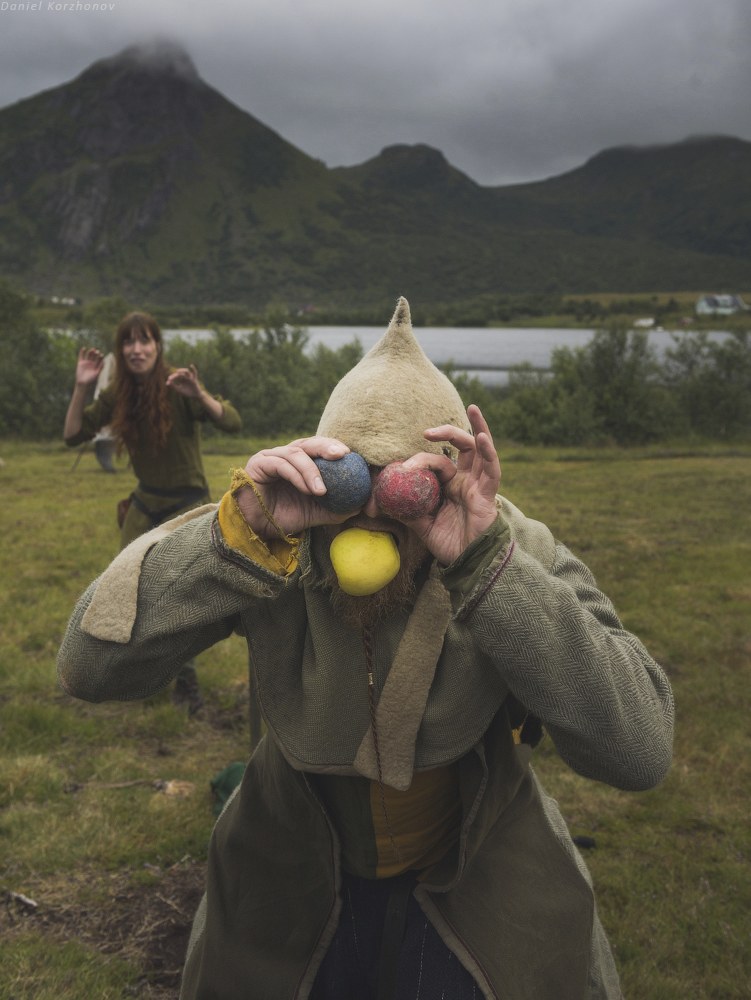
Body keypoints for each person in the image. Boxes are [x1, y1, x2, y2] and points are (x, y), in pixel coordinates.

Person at [58, 298, 674, 999]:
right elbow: (89, 667)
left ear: (442, 474)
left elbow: (640, 749)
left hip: (474, 859)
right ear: (325, 468)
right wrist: (239, 539)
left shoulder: (506, 546)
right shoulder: (271, 537)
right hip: (289, 861)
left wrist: (488, 572)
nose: (376, 519)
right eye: (358, 481)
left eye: (404, 487)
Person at [63, 310, 242, 713]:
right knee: (124, 590)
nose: (137, 348)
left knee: (179, 598)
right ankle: (121, 674)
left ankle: (185, 682)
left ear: (158, 346)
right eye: (128, 341)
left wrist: (200, 396)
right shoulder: (118, 394)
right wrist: (81, 387)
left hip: (187, 505)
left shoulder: (179, 384)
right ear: (120, 350)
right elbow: (74, 434)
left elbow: (230, 421)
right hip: (145, 504)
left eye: (145, 340)